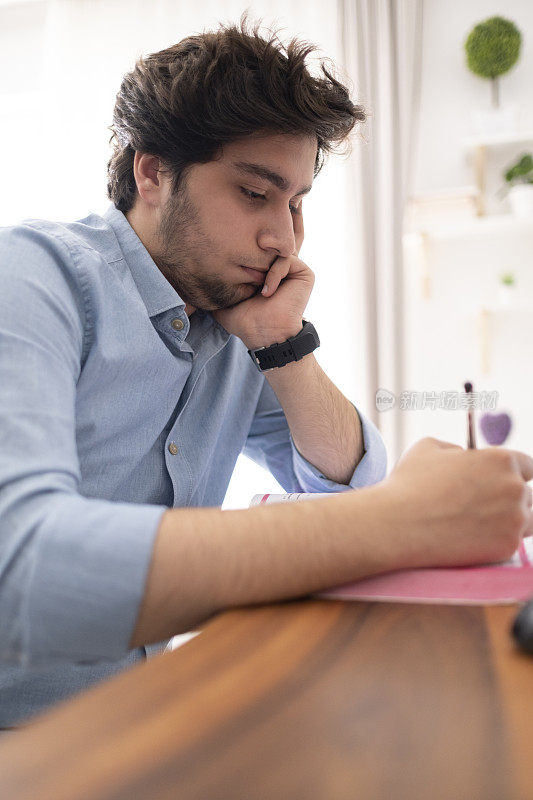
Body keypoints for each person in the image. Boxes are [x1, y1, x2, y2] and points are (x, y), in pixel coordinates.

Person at [0, 18, 532, 730]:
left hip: (138, 720)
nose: (283, 236)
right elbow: (24, 574)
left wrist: (284, 346)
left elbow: (351, 482)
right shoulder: (31, 278)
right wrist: (405, 520)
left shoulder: (229, 316)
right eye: (255, 194)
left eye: (296, 202)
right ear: (151, 171)